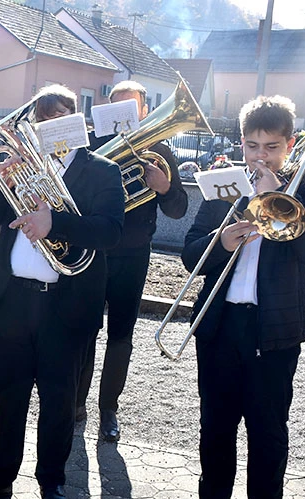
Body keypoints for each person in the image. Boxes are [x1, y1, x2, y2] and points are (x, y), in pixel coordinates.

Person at [0, 85, 125, 499]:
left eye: (61, 115)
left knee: (58, 400)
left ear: (78, 120)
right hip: (12, 302)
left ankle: (52, 481)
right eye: (43, 118)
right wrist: (4, 181)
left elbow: (110, 232)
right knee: (6, 397)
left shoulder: (102, 171)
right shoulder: (18, 167)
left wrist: (57, 222)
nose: (51, 124)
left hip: (66, 307)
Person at [181, 95, 305, 499]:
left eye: (270, 147)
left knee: (268, 429)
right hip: (221, 325)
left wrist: (280, 200)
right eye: (252, 146)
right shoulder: (224, 182)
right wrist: (220, 240)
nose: (259, 157)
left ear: (289, 145)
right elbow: (191, 254)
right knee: (216, 424)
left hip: (275, 330)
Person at [76, 81, 188, 442]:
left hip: (134, 254)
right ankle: (77, 402)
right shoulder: (91, 147)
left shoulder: (160, 151)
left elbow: (179, 208)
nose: (126, 113)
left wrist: (164, 187)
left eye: (132, 107)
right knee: (85, 331)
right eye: (117, 107)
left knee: (121, 335)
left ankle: (109, 409)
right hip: (94, 252)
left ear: (143, 111)